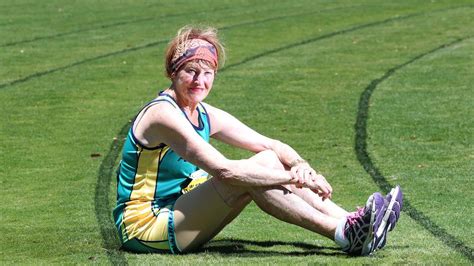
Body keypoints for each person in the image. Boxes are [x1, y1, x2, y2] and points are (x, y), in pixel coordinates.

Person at [113, 25, 403, 256]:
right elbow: (224, 171)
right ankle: (344, 233)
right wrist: (293, 179)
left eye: (207, 73)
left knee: (266, 159)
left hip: (179, 207)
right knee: (247, 174)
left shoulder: (202, 112)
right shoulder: (163, 114)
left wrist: (303, 167)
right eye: (190, 71)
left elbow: (272, 145)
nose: (199, 81)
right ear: (172, 73)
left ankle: (358, 224)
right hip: (145, 226)